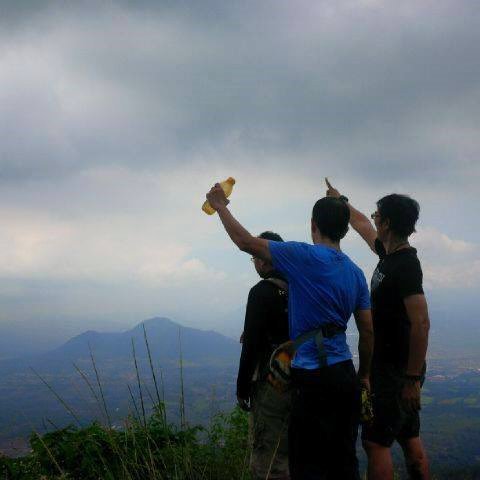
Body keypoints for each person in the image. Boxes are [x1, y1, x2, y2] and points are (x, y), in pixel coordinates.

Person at [206, 184, 374, 480]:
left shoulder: (302, 256)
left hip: (311, 378)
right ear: (345, 230)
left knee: (306, 463)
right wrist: (364, 375)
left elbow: (245, 241)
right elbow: (368, 331)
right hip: (344, 375)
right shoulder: (356, 272)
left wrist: (220, 206)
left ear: (313, 225)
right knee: (344, 461)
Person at [326, 179, 431, 480]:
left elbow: (421, 322)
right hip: (399, 370)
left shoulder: (406, 265)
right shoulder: (390, 255)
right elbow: (360, 224)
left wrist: (411, 380)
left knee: (375, 442)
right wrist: (340, 199)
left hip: (396, 372)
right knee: (409, 436)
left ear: (386, 223)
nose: (372, 219)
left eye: (376, 216)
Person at [237, 230, 291, 480]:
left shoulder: (261, 292)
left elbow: (252, 345)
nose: (254, 261)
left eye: (255, 255)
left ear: (264, 257)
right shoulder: (299, 288)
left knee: (267, 455)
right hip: (303, 381)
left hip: (271, 384)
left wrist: (242, 388)